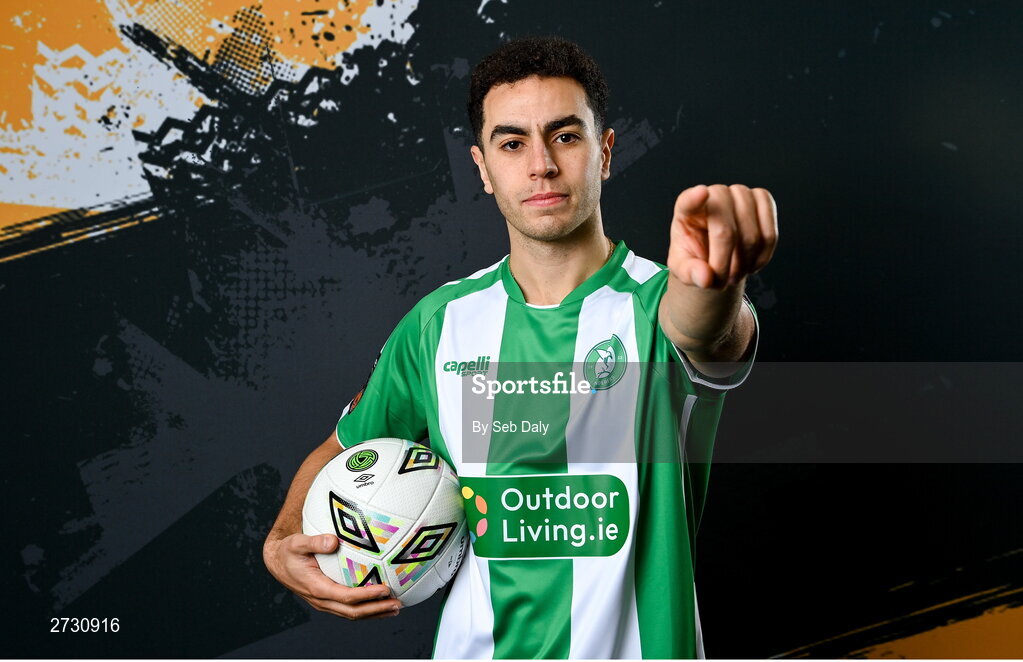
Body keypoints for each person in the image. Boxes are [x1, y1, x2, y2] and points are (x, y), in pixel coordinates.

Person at [263, 36, 777, 659]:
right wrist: (284, 539)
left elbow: (706, 329)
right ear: (482, 168)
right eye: (512, 143)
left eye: (565, 136)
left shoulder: (656, 306)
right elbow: (342, 450)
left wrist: (716, 282)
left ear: (604, 152)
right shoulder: (438, 323)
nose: (541, 164)